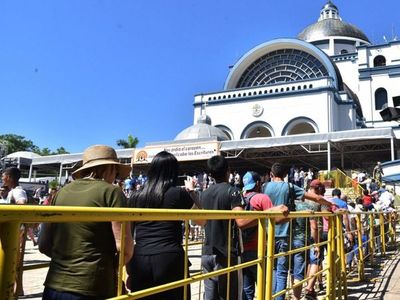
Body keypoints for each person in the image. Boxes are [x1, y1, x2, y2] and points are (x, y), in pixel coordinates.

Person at [38, 145, 134, 299]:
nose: (115, 176)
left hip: (53, 286)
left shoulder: (61, 193)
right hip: (92, 286)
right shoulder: (112, 192)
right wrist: (108, 268)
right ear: (109, 168)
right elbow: (124, 248)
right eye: (116, 171)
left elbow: (43, 244)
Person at [127, 151, 195, 299]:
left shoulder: (135, 196)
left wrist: (130, 269)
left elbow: (129, 235)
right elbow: (201, 220)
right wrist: (192, 192)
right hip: (170, 258)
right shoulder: (178, 193)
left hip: (140, 258)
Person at [263, 163, 333, 300]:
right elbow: (316, 198)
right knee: (282, 272)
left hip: (267, 234)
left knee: (272, 269)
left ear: (271, 174)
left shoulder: (265, 187)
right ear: (286, 175)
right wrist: (330, 204)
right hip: (285, 234)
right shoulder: (290, 187)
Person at [198, 155, 246, 300]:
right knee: (229, 296)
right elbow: (241, 221)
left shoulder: (204, 194)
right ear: (228, 171)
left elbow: (199, 221)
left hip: (207, 252)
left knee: (210, 297)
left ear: (210, 175)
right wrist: (265, 215)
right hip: (226, 254)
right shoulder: (233, 191)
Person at [240, 171, 288, 300]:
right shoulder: (261, 198)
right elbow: (276, 219)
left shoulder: (240, 199)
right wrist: (289, 216)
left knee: (247, 289)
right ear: (257, 183)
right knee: (266, 286)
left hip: (242, 248)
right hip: (258, 248)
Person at [2, 167, 28, 297]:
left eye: (3, 175)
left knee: (13, 262)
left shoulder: (18, 192)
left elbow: (21, 204)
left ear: (9, 177)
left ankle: (13, 290)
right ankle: (17, 289)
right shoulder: (11, 191)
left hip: (14, 233)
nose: (2, 178)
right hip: (10, 232)